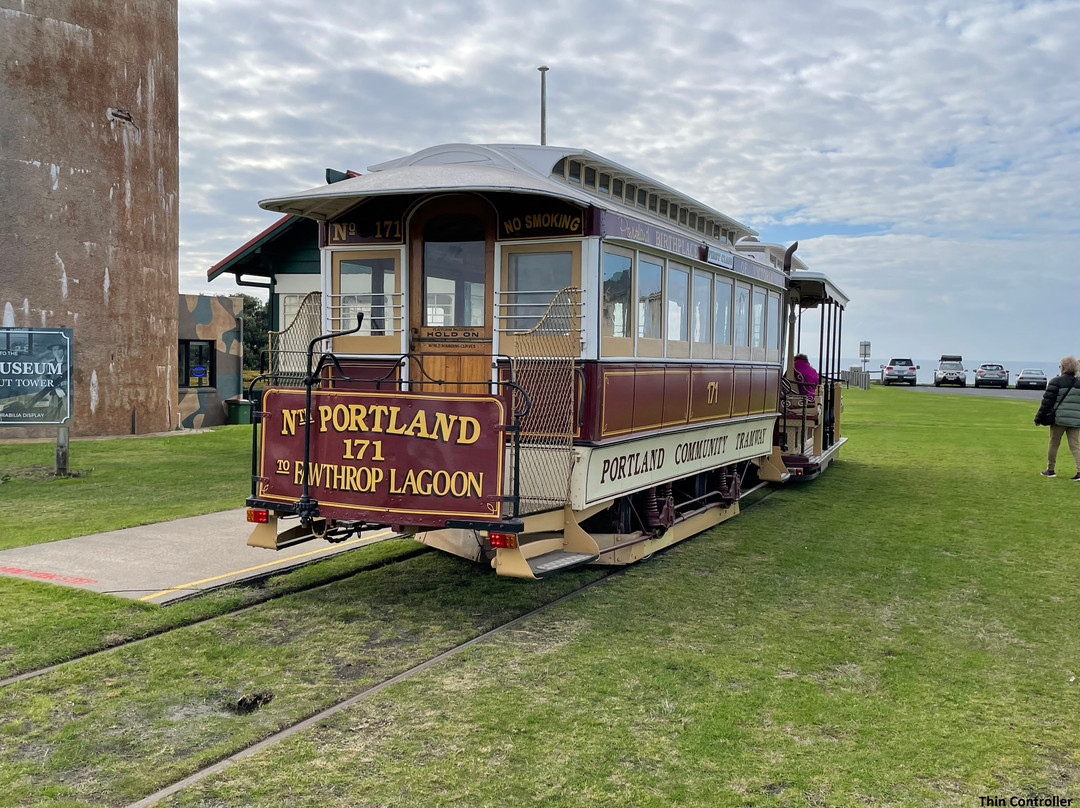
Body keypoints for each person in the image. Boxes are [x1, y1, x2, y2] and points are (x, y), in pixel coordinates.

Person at [1034, 355, 1080, 480]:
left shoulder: (1056, 381)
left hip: (1059, 419)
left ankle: (1051, 469)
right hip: (1076, 419)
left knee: (1054, 443)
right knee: (1075, 446)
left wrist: (1039, 418)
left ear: (1063, 367)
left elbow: (1047, 402)